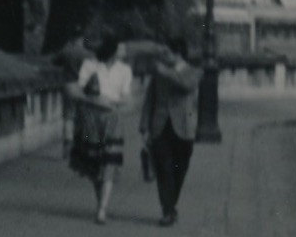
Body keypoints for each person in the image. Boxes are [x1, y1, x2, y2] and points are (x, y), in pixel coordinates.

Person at [67, 31, 134, 224]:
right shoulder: (90, 66)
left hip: (112, 117)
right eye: (120, 48)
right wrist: (95, 100)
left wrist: (116, 103)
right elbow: (76, 89)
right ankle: (101, 204)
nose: (124, 50)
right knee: (95, 164)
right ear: (112, 50)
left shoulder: (125, 70)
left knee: (109, 163)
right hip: (91, 117)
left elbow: (127, 97)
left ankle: (102, 209)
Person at [139, 36, 199, 226]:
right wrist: (144, 125)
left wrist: (165, 72)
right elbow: (150, 98)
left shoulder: (194, 71)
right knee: (164, 168)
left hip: (184, 126)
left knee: (179, 169)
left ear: (178, 53)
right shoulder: (159, 72)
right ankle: (167, 210)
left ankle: (171, 205)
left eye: (166, 52)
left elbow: (186, 85)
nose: (162, 55)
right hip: (160, 125)